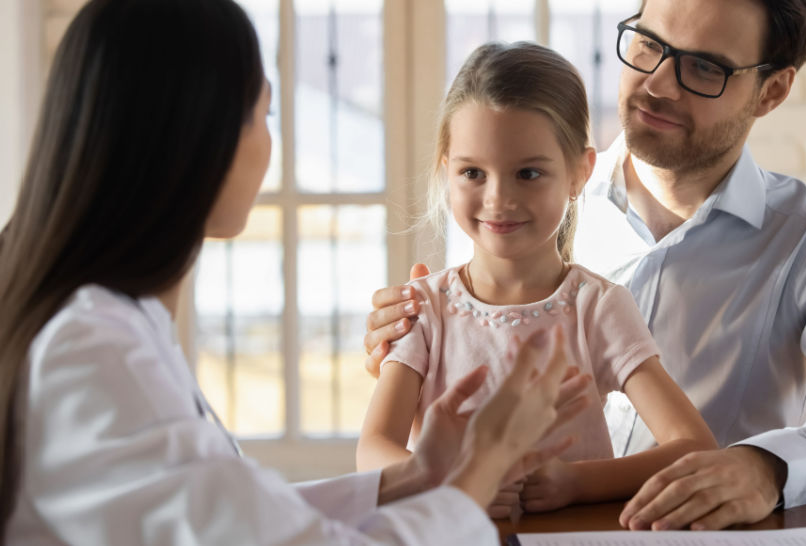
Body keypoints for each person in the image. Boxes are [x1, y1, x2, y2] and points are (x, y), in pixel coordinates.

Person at [0, 1, 592, 544]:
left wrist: (418, 475)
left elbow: (236, 516)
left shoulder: (101, 326)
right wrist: (484, 465)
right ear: (195, 137)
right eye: (264, 112)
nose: (270, 143)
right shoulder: (94, 351)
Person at [362, 0, 806, 531]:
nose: (656, 84)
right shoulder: (521, 200)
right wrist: (406, 356)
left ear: (771, 91)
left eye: (703, 67)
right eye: (647, 44)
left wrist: (769, 467)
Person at [354, 42, 717, 519]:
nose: (498, 199)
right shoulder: (424, 308)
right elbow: (372, 452)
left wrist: (575, 482)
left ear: (578, 174)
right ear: (447, 171)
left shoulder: (598, 307)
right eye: (472, 173)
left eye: (528, 173)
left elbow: (694, 447)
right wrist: (456, 485)